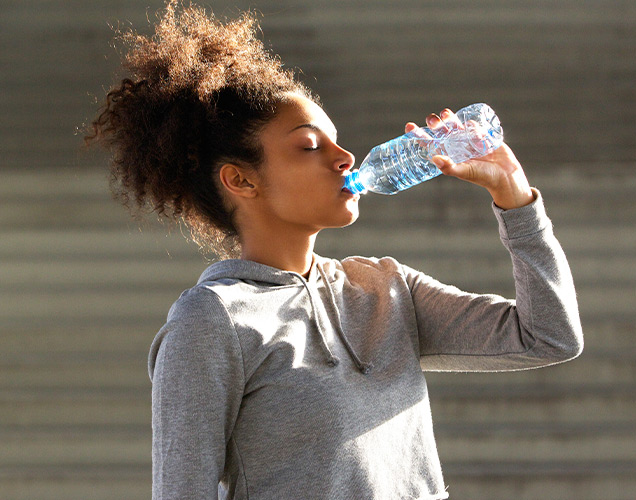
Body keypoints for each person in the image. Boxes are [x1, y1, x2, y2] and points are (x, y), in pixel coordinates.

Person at [86, 2, 583, 499]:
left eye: (337, 141)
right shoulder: (211, 321)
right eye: (309, 146)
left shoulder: (385, 289)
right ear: (241, 179)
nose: (344, 158)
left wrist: (514, 197)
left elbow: (549, 337)